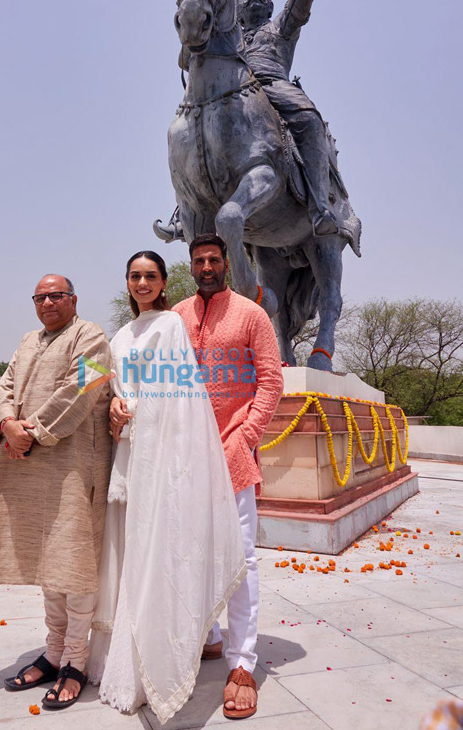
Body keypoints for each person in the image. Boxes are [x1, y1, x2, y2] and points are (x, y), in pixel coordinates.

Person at [87, 251, 246, 725]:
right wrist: (112, 403)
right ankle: (120, 653)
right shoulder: (116, 335)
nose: (142, 283)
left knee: (154, 550)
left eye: (150, 276)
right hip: (127, 453)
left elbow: (175, 395)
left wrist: (133, 410)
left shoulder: (170, 326)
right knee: (127, 549)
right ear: (126, 282)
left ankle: (158, 654)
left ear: (163, 282)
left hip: (156, 453)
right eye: (134, 276)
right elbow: (90, 384)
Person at [0, 274, 112, 710]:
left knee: (75, 564)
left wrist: (29, 432)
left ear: (74, 299)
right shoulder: (28, 341)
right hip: (29, 466)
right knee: (47, 564)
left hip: (74, 468)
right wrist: (7, 425)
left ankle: (75, 661)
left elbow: (82, 388)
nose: (48, 302)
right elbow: (4, 387)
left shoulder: (91, 337)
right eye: (41, 296)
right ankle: (53, 652)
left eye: (57, 295)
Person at [173, 234, 284, 720]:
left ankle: (242, 664)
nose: (207, 267)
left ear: (226, 264)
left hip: (234, 453)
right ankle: (210, 638)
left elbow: (272, 380)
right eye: (199, 260)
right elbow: (132, 366)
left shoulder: (250, 314)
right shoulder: (175, 315)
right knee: (190, 553)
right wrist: (92, 387)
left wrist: (247, 434)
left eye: (214, 259)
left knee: (239, 560)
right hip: (186, 458)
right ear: (192, 266)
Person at [236, 0, 338, 237]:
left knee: (309, 118)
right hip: (234, 95)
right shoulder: (230, 36)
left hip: (273, 87)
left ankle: (320, 206)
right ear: (236, 8)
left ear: (270, 3)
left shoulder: (281, 25)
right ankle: (184, 212)